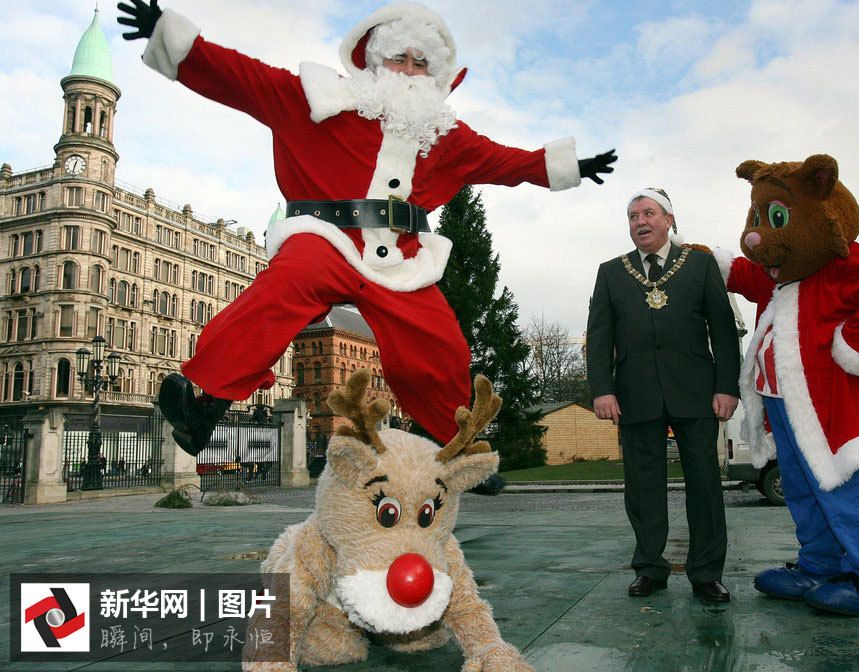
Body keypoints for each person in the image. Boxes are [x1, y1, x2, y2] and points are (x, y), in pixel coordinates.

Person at [117, 1, 617, 469]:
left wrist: (566, 164)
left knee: (441, 346)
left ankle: (459, 449)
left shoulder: (443, 136)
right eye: (399, 58)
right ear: (376, 62)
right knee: (286, 287)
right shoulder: (320, 99)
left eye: (421, 63)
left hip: (398, 260)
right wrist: (175, 38)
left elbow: (508, 161)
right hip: (326, 238)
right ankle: (207, 400)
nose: (409, 70)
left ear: (436, 75)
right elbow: (243, 78)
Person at [586, 188, 741, 602]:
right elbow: (599, 337)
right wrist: (603, 389)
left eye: (649, 213)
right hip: (635, 397)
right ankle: (650, 569)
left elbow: (723, 330)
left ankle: (706, 573)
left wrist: (727, 385)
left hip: (696, 393)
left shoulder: (701, 264)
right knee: (642, 486)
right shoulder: (611, 272)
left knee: (705, 485)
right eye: (634, 215)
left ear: (669, 219)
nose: (641, 221)